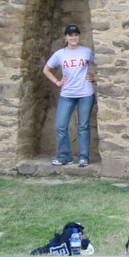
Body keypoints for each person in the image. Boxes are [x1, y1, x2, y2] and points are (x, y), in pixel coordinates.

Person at [42, 24, 96, 167]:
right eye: (70, 35)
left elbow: (101, 65)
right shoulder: (60, 54)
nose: (73, 38)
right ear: (66, 37)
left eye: (76, 35)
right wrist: (57, 82)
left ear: (79, 36)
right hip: (67, 93)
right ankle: (64, 156)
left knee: (83, 126)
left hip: (85, 93)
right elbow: (46, 69)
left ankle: (83, 157)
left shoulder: (86, 52)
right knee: (60, 125)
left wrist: (94, 76)